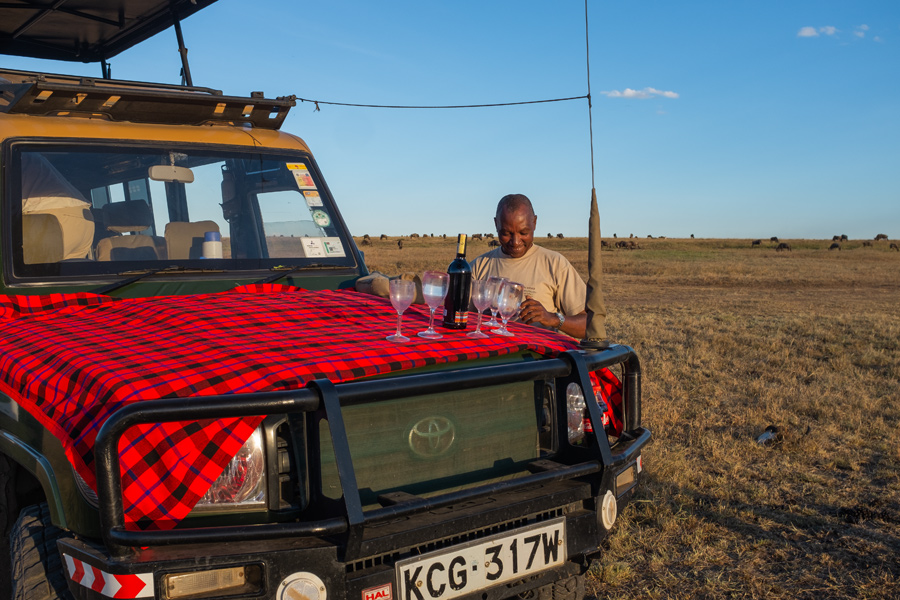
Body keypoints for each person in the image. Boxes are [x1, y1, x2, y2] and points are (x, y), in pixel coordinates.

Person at [470, 194, 587, 339]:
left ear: (535, 222)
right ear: (496, 224)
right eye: (506, 233)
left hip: (537, 352)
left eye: (523, 232)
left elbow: (590, 325)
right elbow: (457, 316)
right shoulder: (479, 266)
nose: (515, 242)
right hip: (491, 351)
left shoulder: (555, 264)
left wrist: (553, 319)